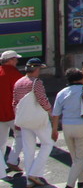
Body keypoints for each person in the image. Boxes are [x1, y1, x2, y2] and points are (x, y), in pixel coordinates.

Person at [51, 67, 83, 188]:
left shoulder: (61, 93)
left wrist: (54, 130)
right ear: (81, 78)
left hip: (67, 126)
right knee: (80, 158)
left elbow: (55, 114)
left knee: (75, 157)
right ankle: (69, 185)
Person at [12, 58, 55, 187]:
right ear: (36, 69)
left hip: (24, 120)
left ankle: (29, 180)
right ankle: (34, 173)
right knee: (48, 143)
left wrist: (17, 119)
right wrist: (50, 112)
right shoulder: (36, 82)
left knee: (28, 149)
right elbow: (42, 99)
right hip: (37, 119)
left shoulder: (18, 82)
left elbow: (15, 103)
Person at [0, 51, 23, 174]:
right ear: (10, 60)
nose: (17, 61)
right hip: (13, 113)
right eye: (15, 59)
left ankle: (1, 169)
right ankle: (12, 160)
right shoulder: (15, 74)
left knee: (1, 143)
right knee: (21, 136)